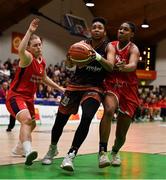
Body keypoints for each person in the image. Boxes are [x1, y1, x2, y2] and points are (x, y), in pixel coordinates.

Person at [42, 17, 115, 171]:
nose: (96, 29)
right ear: (90, 30)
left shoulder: (109, 47)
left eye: (99, 27)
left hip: (94, 87)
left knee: (87, 117)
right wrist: (69, 59)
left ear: (104, 31)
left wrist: (96, 56)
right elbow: (69, 65)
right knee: (60, 120)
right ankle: (52, 148)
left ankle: (71, 154)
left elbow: (110, 66)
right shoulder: (81, 45)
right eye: (94, 27)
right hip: (75, 86)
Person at [5, 18, 64, 166]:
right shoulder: (27, 58)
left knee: (32, 125)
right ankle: (28, 150)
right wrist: (30, 31)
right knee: (27, 121)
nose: (38, 47)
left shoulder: (42, 62)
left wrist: (60, 88)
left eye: (40, 45)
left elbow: (44, 78)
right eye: (35, 45)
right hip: (15, 96)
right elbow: (20, 49)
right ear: (29, 48)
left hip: (29, 99)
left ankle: (18, 148)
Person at [98, 22, 140, 168]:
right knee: (109, 110)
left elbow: (133, 65)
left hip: (129, 90)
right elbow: (110, 61)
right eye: (120, 28)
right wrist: (113, 65)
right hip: (112, 84)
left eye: (125, 29)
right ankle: (102, 152)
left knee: (121, 135)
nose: (121, 31)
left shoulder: (134, 48)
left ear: (132, 34)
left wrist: (125, 67)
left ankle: (115, 151)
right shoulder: (111, 45)